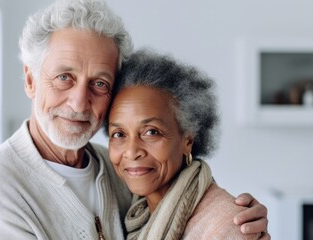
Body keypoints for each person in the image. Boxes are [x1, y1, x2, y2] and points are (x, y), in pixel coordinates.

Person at [0, 0, 269, 239]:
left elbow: (188, 209)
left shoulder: (120, 171)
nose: (79, 102)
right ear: (31, 80)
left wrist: (235, 222)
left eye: (99, 83)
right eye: (64, 77)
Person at [106, 49, 269, 239]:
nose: (132, 151)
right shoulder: (135, 213)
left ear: (188, 140)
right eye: (118, 134)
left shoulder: (230, 224)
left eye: (151, 132)